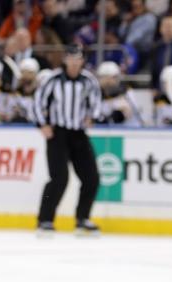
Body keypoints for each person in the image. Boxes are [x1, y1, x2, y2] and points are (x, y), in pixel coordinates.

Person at [33, 45, 102, 235]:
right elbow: (38, 101)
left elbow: (96, 101)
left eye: (77, 59)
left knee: (91, 178)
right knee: (59, 178)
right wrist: (42, 124)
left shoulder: (89, 80)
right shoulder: (53, 79)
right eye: (70, 59)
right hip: (58, 134)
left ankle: (82, 218)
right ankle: (45, 219)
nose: (73, 63)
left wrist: (92, 117)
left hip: (78, 133)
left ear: (82, 61)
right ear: (64, 60)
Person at [95, 61, 144, 127]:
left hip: (129, 131)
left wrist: (109, 119)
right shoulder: (97, 94)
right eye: (100, 77)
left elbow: (125, 113)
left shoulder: (126, 93)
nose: (101, 80)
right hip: (108, 132)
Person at [9, 57, 40, 123]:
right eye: (22, 72)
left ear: (34, 74)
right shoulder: (15, 94)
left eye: (28, 73)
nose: (25, 76)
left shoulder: (41, 94)